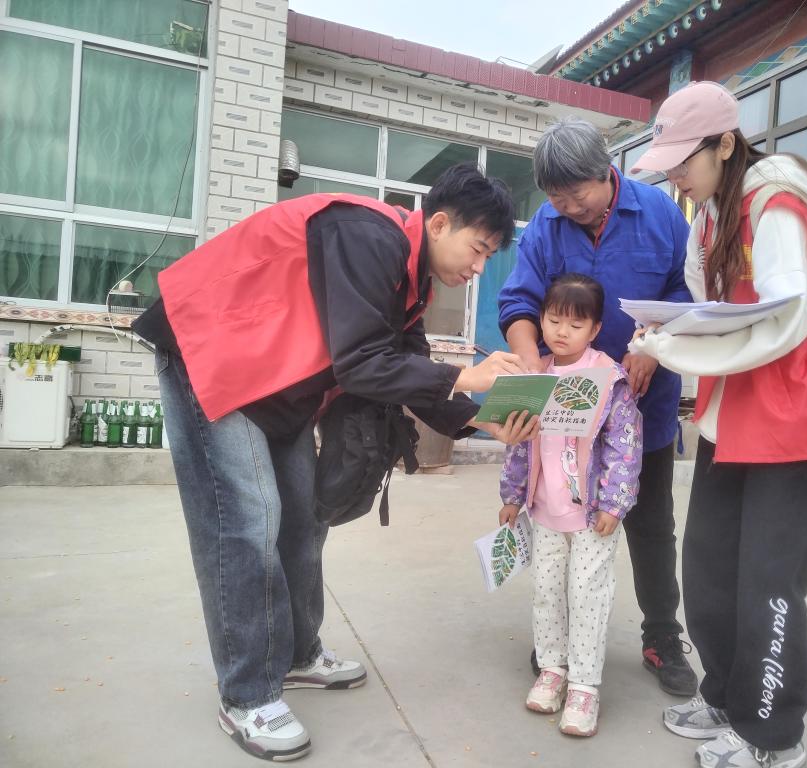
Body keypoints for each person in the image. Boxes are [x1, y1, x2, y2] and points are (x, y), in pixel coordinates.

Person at [132, 163, 539, 762]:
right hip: (211, 357)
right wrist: (467, 374)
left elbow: (404, 366)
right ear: (439, 224)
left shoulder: (411, 281)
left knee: (304, 518)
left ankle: (298, 655)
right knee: (246, 525)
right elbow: (362, 362)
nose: (479, 267)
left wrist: (481, 419)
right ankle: (246, 694)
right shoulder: (366, 235)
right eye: (478, 249)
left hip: (274, 381)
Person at [628, 81, 807, 768]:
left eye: (684, 160)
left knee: (769, 581)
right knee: (708, 566)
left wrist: (675, 349)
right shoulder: (709, 216)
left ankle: (773, 734)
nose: (675, 176)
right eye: (667, 163)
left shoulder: (777, 204)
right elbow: (711, 308)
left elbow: (786, 321)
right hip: (732, 415)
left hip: (794, 418)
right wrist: (670, 334)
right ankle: (727, 696)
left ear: (726, 144)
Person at [498, 117, 698, 697]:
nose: (567, 206)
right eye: (555, 197)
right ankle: (556, 644)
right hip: (562, 421)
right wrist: (531, 365)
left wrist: (651, 347)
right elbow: (519, 301)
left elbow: (686, 291)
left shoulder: (659, 214)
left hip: (640, 404)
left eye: (576, 193)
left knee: (651, 525)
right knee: (557, 526)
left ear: (605, 171)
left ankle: (662, 636)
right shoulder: (546, 225)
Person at [499, 273, 642, 738]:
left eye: (576, 325)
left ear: (595, 329)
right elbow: (519, 441)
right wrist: (512, 496)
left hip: (591, 517)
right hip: (544, 512)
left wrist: (615, 504)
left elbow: (624, 444)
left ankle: (584, 686)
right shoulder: (536, 374)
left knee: (587, 595)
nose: (562, 332)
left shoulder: (608, 378)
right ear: (540, 319)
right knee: (546, 591)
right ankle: (552, 670)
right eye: (554, 320)